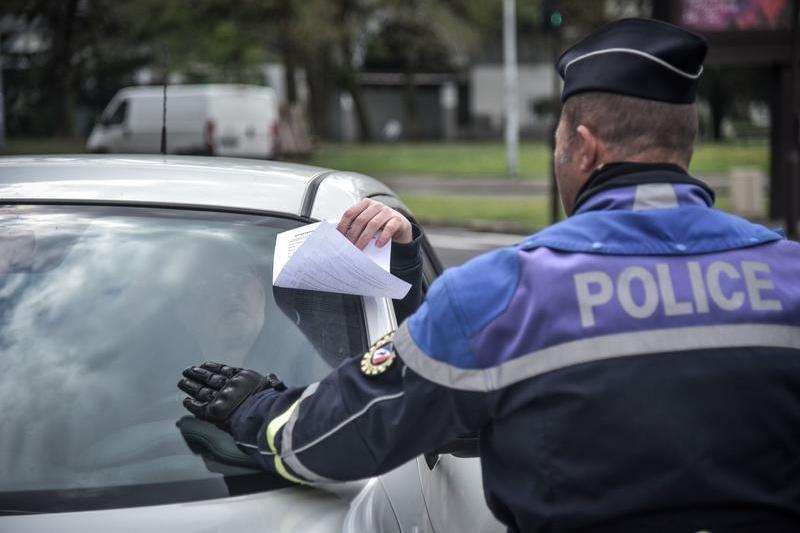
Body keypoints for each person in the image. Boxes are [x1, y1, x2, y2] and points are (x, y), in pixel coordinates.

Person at [178, 18, 800, 532]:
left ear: (584, 148)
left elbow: (336, 439)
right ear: (681, 146)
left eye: (556, 142)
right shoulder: (790, 277)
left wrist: (257, 410)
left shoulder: (503, 296)